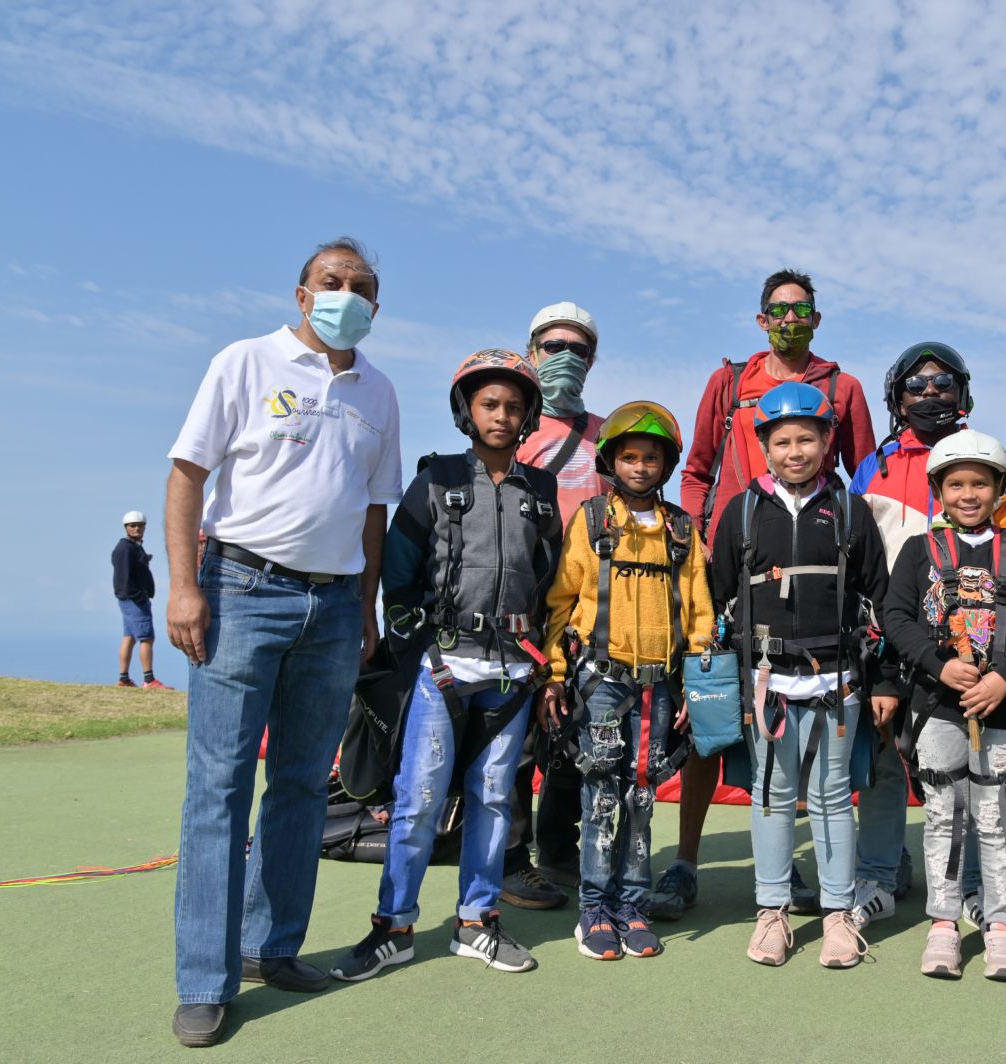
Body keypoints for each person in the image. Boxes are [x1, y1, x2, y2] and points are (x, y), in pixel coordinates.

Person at [165, 238, 401, 1048]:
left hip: (334, 608)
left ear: (377, 303)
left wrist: (365, 608)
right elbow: (188, 474)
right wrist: (185, 586)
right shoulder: (245, 362)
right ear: (302, 296)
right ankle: (205, 978)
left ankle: (274, 947)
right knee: (220, 788)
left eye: (361, 287)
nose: (346, 295)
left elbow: (375, 511)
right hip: (241, 589)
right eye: (332, 283)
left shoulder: (379, 391)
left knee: (302, 784)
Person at [329, 348, 562, 981]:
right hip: (443, 666)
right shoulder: (433, 482)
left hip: (514, 673)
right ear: (467, 409)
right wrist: (417, 652)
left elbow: (551, 579)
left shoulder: (540, 493)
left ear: (529, 415)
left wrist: (544, 662)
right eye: (490, 404)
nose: (502, 415)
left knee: (493, 797)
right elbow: (398, 578)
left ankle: (476, 923)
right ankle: (394, 928)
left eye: (515, 406)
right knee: (419, 798)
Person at [653, 268, 876, 920]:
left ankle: (796, 870)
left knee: (803, 738)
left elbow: (860, 474)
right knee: (710, 720)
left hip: (810, 579)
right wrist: (700, 545)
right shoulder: (729, 382)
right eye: (777, 311)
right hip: (731, 570)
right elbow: (696, 470)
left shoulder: (844, 387)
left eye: (800, 310)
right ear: (760, 320)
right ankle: (686, 862)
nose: (788, 320)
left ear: (816, 316)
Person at [849, 343, 1006, 932]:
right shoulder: (873, 466)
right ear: (896, 397)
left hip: (975, 653)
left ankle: (976, 889)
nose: (930, 394)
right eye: (916, 385)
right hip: (894, 637)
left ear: (963, 391)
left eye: (942, 383)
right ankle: (881, 876)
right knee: (886, 757)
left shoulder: (988, 460)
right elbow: (858, 552)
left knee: (976, 773)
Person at [711, 381, 896, 969]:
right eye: (782, 441)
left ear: (826, 442)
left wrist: (886, 681)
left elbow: (881, 600)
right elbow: (717, 601)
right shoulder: (741, 513)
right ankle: (773, 911)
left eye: (807, 440)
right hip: (766, 685)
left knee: (833, 798)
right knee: (770, 797)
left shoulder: (849, 510)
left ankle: (839, 914)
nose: (795, 452)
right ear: (763, 445)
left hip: (836, 683)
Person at [536, 401, 716, 960]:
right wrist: (554, 676)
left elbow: (700, 613)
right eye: (630, 456)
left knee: (642, 793)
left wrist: (696, 686)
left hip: (659, 686)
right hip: (601, 685)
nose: (640, 466)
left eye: (652, 457)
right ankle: (594, 908)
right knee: (601, 795)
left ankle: (631, 905)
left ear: (667, 465)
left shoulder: (681, 532)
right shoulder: (590, 522)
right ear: (612, 461)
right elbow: (561, 604)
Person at [882, 430, 1006, 982]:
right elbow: (897, 618)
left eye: (979, 483)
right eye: (955, 483)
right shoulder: (920, 551)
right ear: (938, 490)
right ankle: (943, 923)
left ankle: (1002, 927)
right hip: (937, 705)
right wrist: (939, 667)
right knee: (942, 815)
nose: (967, 493)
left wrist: (1004, 678)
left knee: (995, 815)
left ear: (1000, 490)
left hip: (1001, 709)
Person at [504, 300, 607, 909]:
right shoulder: (509, 429)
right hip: (520, 601)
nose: (565, 358)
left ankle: (560, 849)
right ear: (531, 351)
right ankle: (513, 858)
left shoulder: (607, 436)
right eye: (553, 347)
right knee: (515, 730)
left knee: (577, 726)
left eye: (578, 349)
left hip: (586, 608)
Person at [113, 510, 168, 689]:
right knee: (146, 637)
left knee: (129, 637)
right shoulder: (126, 548)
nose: (137, 528)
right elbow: (124, 576)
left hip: (130, 599)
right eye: (133, 525)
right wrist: (138, 596)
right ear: (126, 528)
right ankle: (149, 680)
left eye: (140, 525)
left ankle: (124, 678)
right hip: (134, 600)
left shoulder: (133, 546)